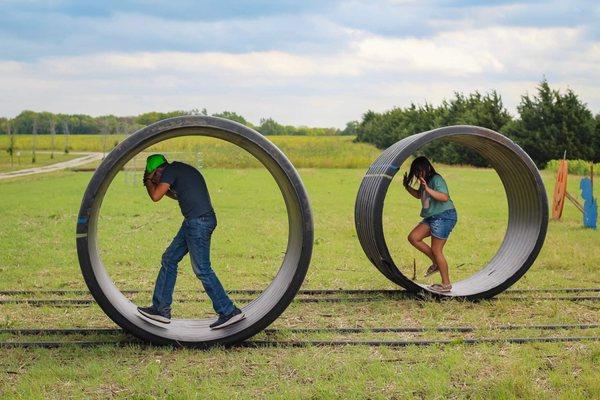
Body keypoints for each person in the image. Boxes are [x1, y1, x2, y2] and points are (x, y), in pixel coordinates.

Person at [137, 154, 245, 329]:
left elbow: (156, 196)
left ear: (157, 171)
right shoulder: (178, 169)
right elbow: (174, 195)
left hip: (198, 222)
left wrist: (148, 182)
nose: (156, 181)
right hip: (195, 221)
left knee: (202, 269)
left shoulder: (169, 172)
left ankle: (228, 311)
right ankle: (161, 310)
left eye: (155, 177)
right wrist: (156, 182)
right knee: (169, 259)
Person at [403, 156, 457, 293]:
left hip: (444, 215)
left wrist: (427, 188)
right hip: (431, 217)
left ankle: (446, 284)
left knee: (437, 250)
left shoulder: (436, 179)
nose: (417, 174)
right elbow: (418, 195)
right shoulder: (424, 181)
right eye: (415, 172)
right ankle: (436, 263)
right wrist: (406, 186)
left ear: (427, 168)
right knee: (414, 237)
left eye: (419, 171)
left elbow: (444, 197)